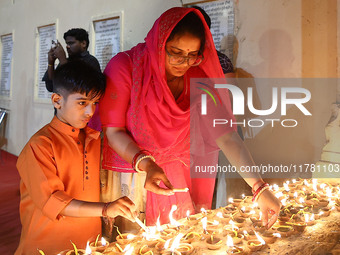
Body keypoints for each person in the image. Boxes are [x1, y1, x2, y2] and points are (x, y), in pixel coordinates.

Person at [97, 7, 280, 228]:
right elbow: (113, 131)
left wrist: (259, 187)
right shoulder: (125, 67)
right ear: (159, 42)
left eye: (192, 55)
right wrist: (147, 164)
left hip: (176, 176)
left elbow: (226, 136)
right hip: (134, 176)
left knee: (177, 240)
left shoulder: (197, 76)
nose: (184, 63)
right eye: (175, 52)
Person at [15, 61, 137, 255]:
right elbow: (54, 202)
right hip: (47, 246)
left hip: (89, 244)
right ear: (57, 100)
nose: (90, 112)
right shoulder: (40, 145)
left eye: (95, 103)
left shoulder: (95, 138)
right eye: (82, 103)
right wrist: (106, 209)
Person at [43, 28, 101, 92]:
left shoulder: (90, 61)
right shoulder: (66, 61)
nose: (67, 46)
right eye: (67, 43)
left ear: (83, 44)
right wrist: (51, 63)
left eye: (71, 43)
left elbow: (75, 87)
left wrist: (62, 60)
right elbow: (51, 87)